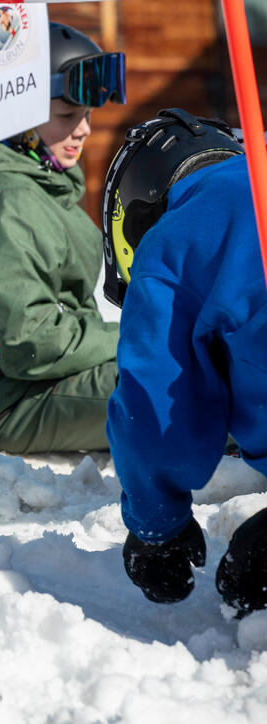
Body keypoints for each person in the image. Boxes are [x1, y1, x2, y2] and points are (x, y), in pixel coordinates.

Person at [0, 22, 127, 454]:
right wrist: (129, 337)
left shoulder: (39, 191)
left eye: (87, 116)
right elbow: (28, 342)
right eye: (66, 117)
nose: (84, 131)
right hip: (5, 404)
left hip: (46, 385)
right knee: (181, 388)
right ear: (14, 118)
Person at [101, 108, 267, 615]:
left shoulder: (175, 243)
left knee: (248, 587)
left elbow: (156, 402)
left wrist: (158, 525)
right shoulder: (251, 187)